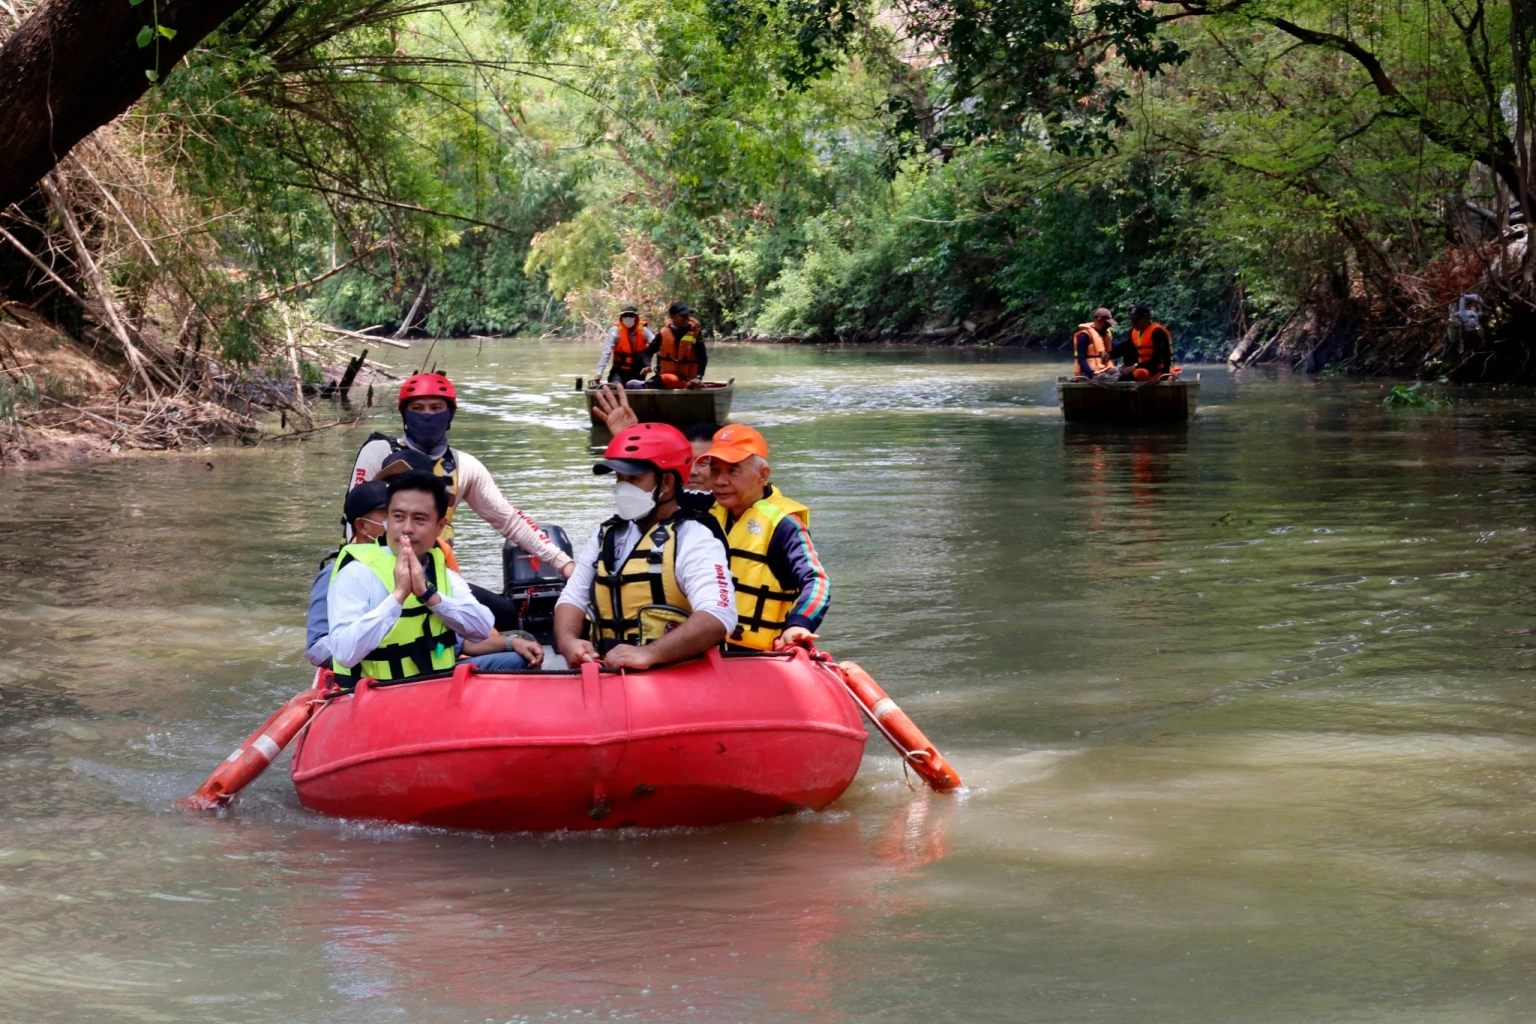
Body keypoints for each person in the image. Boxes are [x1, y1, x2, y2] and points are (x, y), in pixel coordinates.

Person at [553, 423, 736, 670]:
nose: (622, 487)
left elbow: (718, 615)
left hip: (675, 672)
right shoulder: (606, 535)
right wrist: (568, 642)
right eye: (619, 478)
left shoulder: (695, 537)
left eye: (634, 479)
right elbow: (572, 598)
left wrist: (649, 653)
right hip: (609, 669)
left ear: (667, 483)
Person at [327, 471, 515, 686]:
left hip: (434, 691)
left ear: (440, 527)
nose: (407, 528)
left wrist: (429, 595)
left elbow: (481, 630)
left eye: (419, 519)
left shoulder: (443, 574)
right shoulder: (356, 573)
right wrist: (397, 597)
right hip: (374, 697)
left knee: (517, 661)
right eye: (398, 517)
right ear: (387, 520)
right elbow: (343, 653)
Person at [702, 424, 830, 651]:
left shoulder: (784, 525)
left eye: (733, 470)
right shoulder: (706, 511)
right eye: (715, 470)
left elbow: (817, 582)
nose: (720, 481)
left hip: (760, 653)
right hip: (706, 646)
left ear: (762, 474)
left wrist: (799, 623)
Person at [305, 480, 390, 669]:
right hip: (366, 678)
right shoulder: (334, 574)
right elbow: (317, 644)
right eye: (389, 514)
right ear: (362, 527)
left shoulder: (408, 563)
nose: (398, 522)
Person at [647, 302, 706, 390]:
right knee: (642, 384)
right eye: (683, 315)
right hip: (666, 378)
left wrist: (698, 377)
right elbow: (648, 352)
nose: (686, 318)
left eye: (687, 315)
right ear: (672, 317)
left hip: (688, 379)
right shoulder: (663, 333)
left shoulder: (695, 333)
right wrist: (646, 365)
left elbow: (702, 357)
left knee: (660, 381)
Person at [594, 304, 654, 385]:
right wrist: (599, 373)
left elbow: (656, 346)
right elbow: (606, 352)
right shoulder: (615, 331)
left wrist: (649, 365)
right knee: (616, 386)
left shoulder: (644, 331)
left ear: (636, 317)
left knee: (636, 386)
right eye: (625, 315)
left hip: (638, 372)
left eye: (630, 315)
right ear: (621, 317)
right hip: (619, 371)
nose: (627, 318)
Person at [1122, 305, 1173, 380]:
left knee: (1139, 373)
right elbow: (1126, 349)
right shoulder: (1134, 333)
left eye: (1136, 321)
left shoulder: (1158, 332)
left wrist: (1134, 367)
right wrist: (1110, 354)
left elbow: (1157, 359)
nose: (1133, 323)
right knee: (1122, 376)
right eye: (1132, 321)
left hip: (1159, 370)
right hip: (1144, 368)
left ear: (1146, 319)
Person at [1072, 307, 1121, 380]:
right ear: (1099, 320)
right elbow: (1081, 359)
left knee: (1120, 374)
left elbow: (1113, 345)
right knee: (1105, 378)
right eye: (1107, 323)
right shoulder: (1084, 336)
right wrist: (1091, 375)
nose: (1109, 326)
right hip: (1089, 372)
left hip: (1104, 369)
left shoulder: (1104, 334)